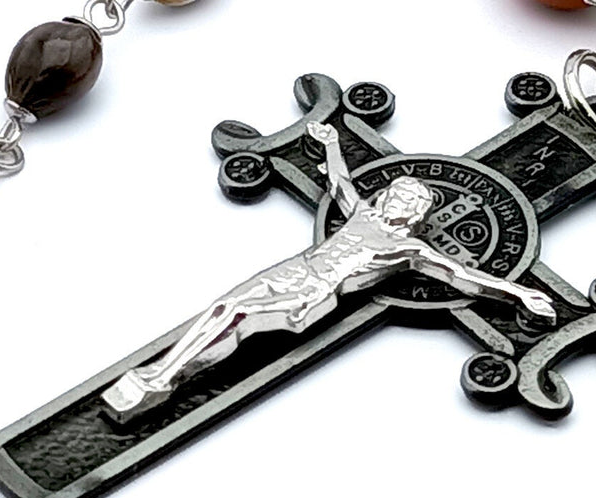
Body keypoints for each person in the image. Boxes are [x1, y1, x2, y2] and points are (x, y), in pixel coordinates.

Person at [103, 121, 557, 422]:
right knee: (225, 306)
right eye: (397, 193)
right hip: (293, 269)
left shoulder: (408, 248)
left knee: (241, 320)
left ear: (417, 214)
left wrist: (520, 295)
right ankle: (158, 371)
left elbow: (461, 275)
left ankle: (164, 383)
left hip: (315, 292)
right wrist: (331, 142)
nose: (398, 200)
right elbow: (340, 183)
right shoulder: (363, 216)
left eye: (410, 200)